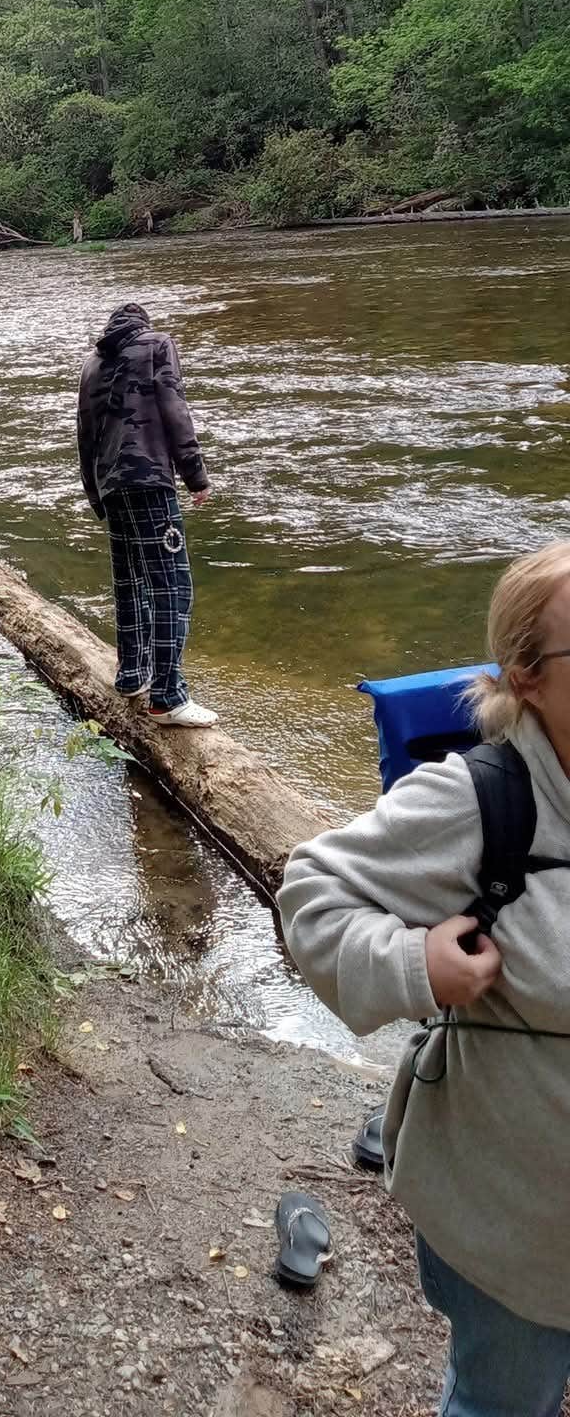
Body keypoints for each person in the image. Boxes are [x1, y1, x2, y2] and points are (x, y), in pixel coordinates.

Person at [280, 541, 570, 1417]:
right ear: (526, 678)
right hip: (515, 1228)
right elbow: (311, 895)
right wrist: (418, 965)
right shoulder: (479, 804)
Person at [77, 302, 216, 729]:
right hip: (150, 479)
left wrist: (94, 493)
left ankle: (131, 675)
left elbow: (83, 431)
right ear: (143, 325)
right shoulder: (158, 345)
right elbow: (176, 409)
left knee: (130, 581)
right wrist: (195, 475)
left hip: (111, 485)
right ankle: (168, 697)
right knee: (172, 585)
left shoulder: (92, 364)